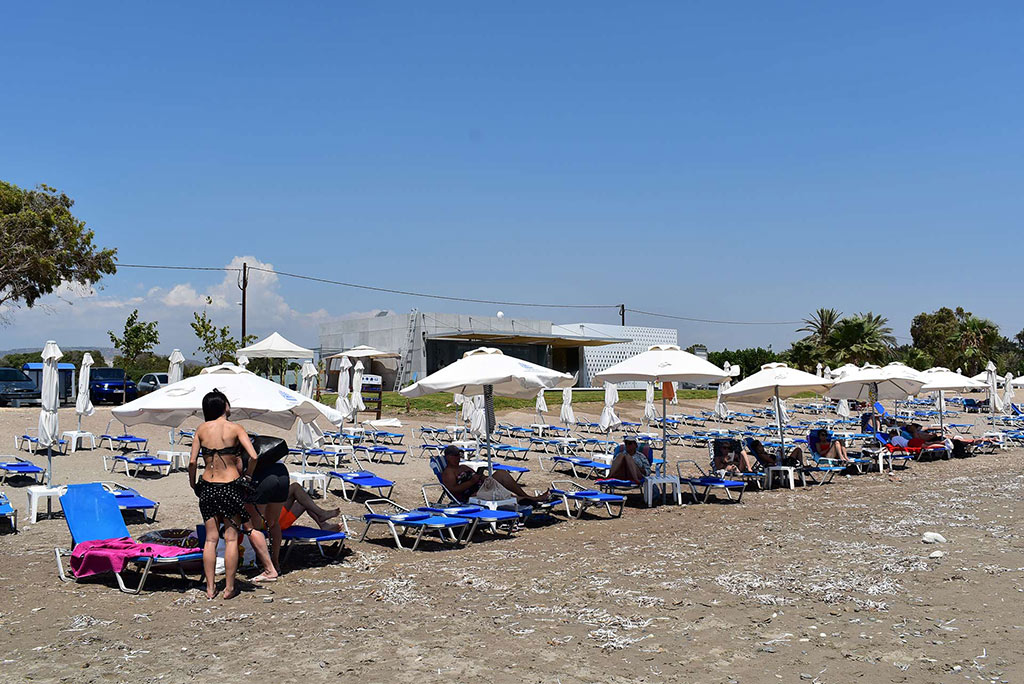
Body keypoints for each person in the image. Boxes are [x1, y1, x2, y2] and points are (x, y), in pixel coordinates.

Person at [188, 390, 278, 599]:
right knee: (230, 538)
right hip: (230, 485)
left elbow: (192, 462)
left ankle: (210, 588)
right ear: (224, 406)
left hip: (208, 485)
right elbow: (254, 456)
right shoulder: (236, 428)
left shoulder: (201, 429)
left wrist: (193, 483)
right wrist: (247, 476)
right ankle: (229, 588)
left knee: (210, 539)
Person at [440, 445, 552, 505]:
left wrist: (481, 477)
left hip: (482, 486)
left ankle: (527, 497)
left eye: (459, 455)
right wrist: (471, 482)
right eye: (455, 456)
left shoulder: (463, 467)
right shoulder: (448, 473)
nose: (458, 457)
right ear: (448, 457)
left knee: (501, 474)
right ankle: (532, 499)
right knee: (497, 492)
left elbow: (476, 476)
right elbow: (453, 490)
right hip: (473, 495)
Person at [244, 447, 290, 574]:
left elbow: (249, 460)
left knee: (254, 527)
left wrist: (247, 476)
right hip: (282, 472)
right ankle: (276, 563)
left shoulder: (240, 442)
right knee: (274, 523)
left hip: (262, 475)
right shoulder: (259, 443)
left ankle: (266, 565)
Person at [277, 482, 343, 532]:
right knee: (295, 487)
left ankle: (324, 525)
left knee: (304, 501)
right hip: (272, 523)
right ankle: (321, 513)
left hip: (276, 521)